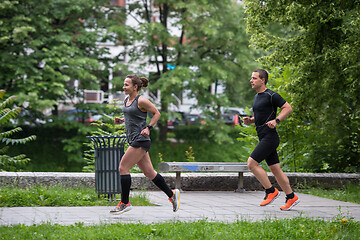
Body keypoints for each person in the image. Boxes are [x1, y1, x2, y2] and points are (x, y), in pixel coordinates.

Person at [110, 74, 180, 215]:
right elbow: (133, 116)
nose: (124, 87)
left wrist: (149, 128)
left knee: (123, 167)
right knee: (149, 173)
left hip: (140, 140)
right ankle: (172, 195)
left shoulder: (141, 100)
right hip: (132, 138)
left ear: (135, 87)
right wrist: (122, 120)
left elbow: (156, 113)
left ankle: (125, 203)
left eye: (126, 85)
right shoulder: (126, 100)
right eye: (124, 84)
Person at [243, 69, 299, 211]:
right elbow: (261, 118)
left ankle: (270, 191)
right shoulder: (257, 97)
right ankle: (291, 197)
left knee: (251, 164)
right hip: (263, 136)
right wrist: (251, 120)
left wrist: (277, 120)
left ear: (263, 80)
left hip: (270, 137)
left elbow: (288, 107)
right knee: (275, 169)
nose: (251, 80)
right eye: (251, 78)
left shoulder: (271, 95)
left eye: (254, 78)